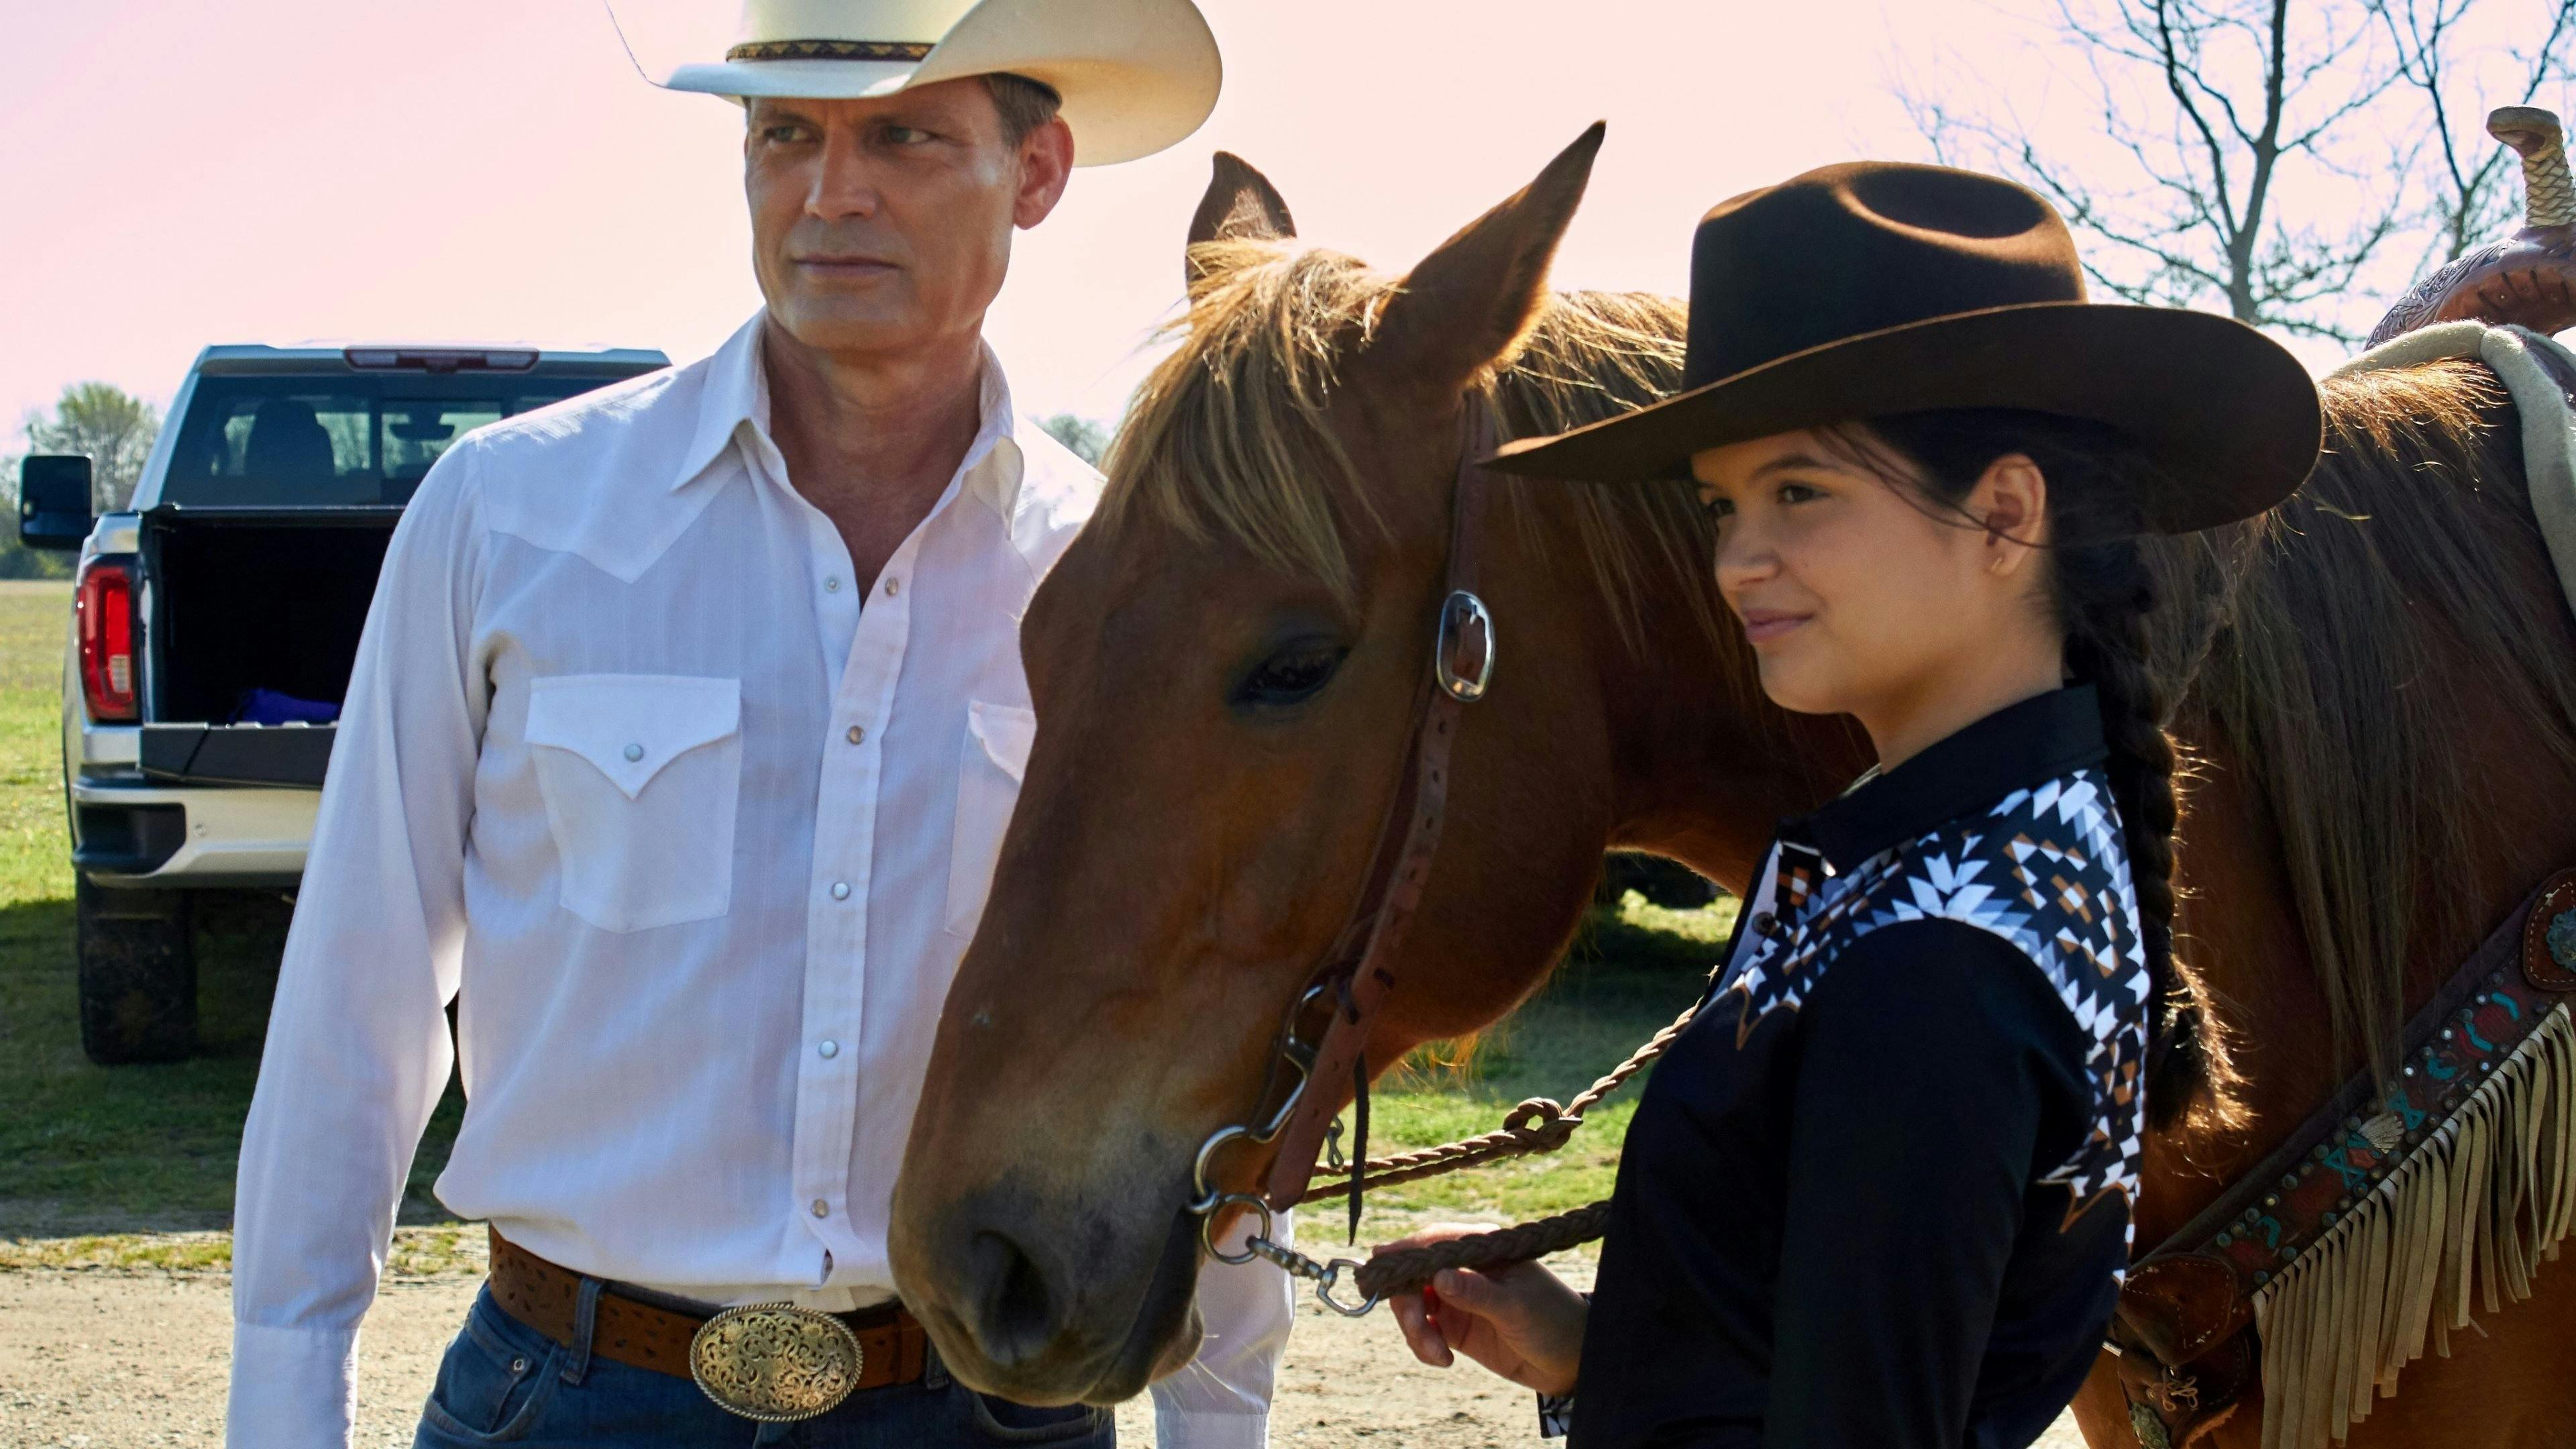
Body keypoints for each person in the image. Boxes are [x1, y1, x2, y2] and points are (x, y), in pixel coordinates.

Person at [223, 2, 1291, 1445]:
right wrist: (285, 1415)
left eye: (904, 137)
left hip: (982, 1400)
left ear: (1038, 174)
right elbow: (359, 999)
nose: (831, 192)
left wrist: (1219, 1424)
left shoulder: (1121, 581)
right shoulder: (511, 517)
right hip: (576, 1398)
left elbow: (1195, 1036)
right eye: (786, 135)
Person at [1376, 163, 2322, 1446]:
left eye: (1799, 492)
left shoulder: (1938, 961)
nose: (1734, 559)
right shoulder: (1992, 842)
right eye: (1722, 504)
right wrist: (1594, 1354)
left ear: (2002, 515)